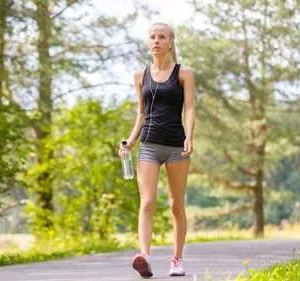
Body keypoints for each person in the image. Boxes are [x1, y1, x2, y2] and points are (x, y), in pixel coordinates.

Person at [119, 22, 196, 277]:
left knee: (176, 205)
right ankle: (145, 256)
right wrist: (130, 141)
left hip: (176, 145)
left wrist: (190, 136)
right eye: (152, 37)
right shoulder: (140, 75)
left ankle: (177, 260)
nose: (156, 41)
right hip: (149, 145)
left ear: (171, 42)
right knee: (147, 201)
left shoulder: (184, 73)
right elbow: (141, 113)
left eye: (162, 37)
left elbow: (190, 108)